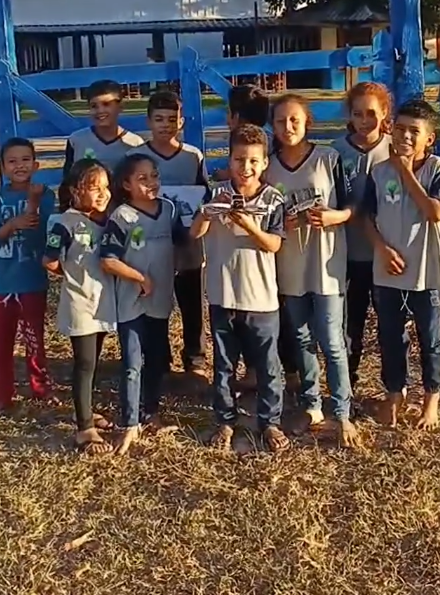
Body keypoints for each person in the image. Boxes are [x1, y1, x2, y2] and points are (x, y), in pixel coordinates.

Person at [190, 124, 289, 453]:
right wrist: (209, 212)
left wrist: (248, 224)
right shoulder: (215, 192)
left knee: (267, 367)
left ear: (264, 163)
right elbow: (195, 232)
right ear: (229, 159)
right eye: (238, 159)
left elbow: (274, 244)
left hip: (261, 299)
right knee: (224, 366)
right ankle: (225, 421)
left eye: (253, 161)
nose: (245, 168)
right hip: (223, 295)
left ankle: (270, 422)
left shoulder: (273, 199)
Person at [267, 93, 359, 448]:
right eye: (280, 121)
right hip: (291, 264)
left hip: (327, 263)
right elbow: (265, 217)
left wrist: (337, 216)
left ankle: (343, 413)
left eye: (295, 120)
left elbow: (353, 203)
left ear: (307, 122)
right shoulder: (268, 166)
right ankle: (312, 405)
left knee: (332, 340)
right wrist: (282, 223)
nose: (288, 127)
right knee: (302, 338)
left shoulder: (328, 158)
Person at [100, 153, 187, 455]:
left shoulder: (169, 209)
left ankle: (151, 413)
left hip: (160, 301)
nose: (151, 182)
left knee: (157, 360)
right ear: (126, 185)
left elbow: (184, 241)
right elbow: (108, 260)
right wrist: (140, 278)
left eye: (154, 176)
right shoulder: (121, 217)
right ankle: (129, 423)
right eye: (142, 178)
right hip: (131, 302)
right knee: (132, 364)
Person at [363, 99, 440, 430]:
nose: (405, 136)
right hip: (388, 272)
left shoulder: (435, 169)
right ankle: (395, 394)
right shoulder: (379, 172)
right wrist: (381, 249)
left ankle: (431, 399)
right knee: (391, 337)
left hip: (428, 273)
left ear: (429, 138)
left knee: (431, 340)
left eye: (414, 131)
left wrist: (405, 169)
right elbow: (367, 218)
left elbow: (434, 211)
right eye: (400, 129)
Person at [128, 90, 207, 376]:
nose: (165, 125)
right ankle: (158, 358)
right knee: (154, 302)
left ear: (181, 122)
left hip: (187, 244)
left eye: (172, 119)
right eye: (159, 119)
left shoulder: (192, 156)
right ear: (148, 121)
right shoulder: (135, 157)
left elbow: (203, 194)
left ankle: (195, 358)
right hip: (151, 242)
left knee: (192, 302)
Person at [43, 159, 117, 453]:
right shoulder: (65, 223)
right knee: (84, 364)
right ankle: (84, 429)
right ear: (75, 191)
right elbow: (49, 260)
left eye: (106, 187)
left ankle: (83, 410)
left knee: (93, 360)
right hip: (80, 304)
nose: (102, 194)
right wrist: (73, 275)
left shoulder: (107, 220)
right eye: (94, 188)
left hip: (103, 303)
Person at [332, 82, 395, 388]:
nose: (364, 120)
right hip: (347, 253)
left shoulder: (396, 150)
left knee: (391, 327)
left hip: (385, 254)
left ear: (384, 113)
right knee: (348, 326)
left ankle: (394, 388)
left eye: (371, 113)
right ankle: (347, 387)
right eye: (357, 114)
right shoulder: (336, 151)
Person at [0, 137, 55, 410]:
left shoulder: (45, 195)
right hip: (3, 284)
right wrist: (10, 225)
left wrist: (33, 201)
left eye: (25, 160)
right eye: (12, 161)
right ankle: (4, 392)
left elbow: (38, 233)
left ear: (35, 164)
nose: (19, 165)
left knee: (34, 339)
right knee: (3, 341)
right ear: (3, 168)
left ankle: (40, 387)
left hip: (32, 281)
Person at [60, 80, 144, 211]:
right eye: (94, 106)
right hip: (86, 213)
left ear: (120, 106)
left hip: (125, 212)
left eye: (106, 104)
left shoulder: (135, 143)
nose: (100, 111)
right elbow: (68, 181)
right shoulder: (77, 140)